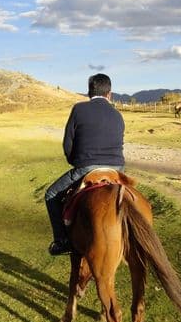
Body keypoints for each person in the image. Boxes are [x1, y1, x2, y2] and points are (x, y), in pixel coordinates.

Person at [44, 73, 125, 256]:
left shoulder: (79, 109)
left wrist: (76, 162)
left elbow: (68, 144)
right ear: (109, 94)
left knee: (51, 194)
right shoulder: (118, 114)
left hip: (87, 168)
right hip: (117, 169)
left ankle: (62, 241)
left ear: (89, 92)